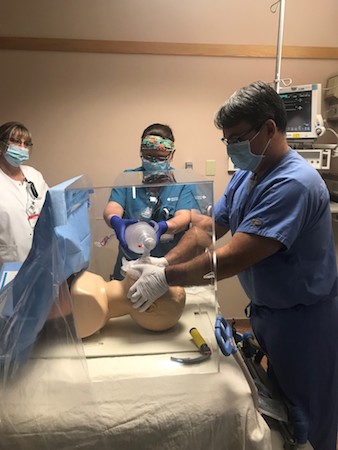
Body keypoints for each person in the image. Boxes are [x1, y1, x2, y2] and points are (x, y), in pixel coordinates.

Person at [124, 81, 338, 450]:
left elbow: (235, 256)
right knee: (282, 408)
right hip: (269, 313)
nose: (231, 148)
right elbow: (208, 228)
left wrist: (166, 277)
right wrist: (162, 259)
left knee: (309, 417)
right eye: (227, 140)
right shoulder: (248, 175)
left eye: (237, 138)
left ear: (269, 129)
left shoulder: (294, 183)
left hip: (305, 322)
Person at [103, 123, 193, 280]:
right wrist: (115, 220)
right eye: (148, 157)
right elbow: (112, 207)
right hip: (131, 264)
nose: (154, 162)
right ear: (141, 152)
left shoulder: (181, 183)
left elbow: (184, 218)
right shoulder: (127, 178)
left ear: (172, 154)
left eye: (160, 158)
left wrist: (164, 227)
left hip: (167, 264)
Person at [0, 121, 48, 264]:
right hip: (7, 261)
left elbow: (50, 208)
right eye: (15, 141)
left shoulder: (34, 175)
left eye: (26, 143)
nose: (22, 147)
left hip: (39, 258)